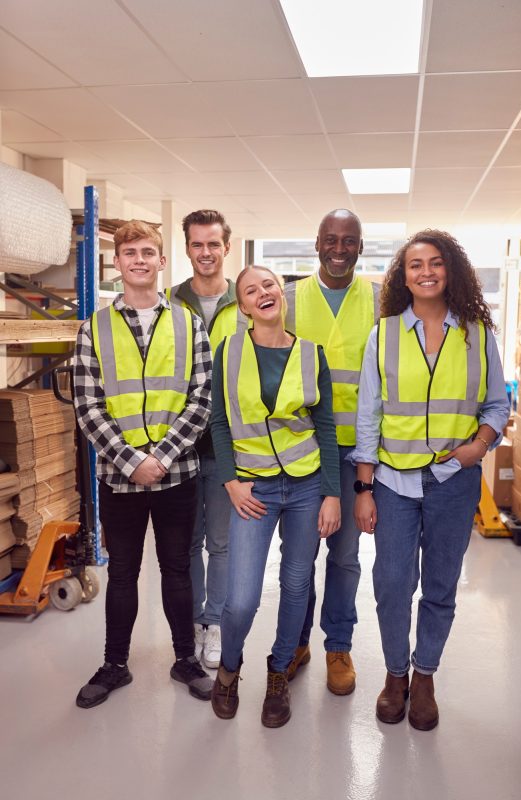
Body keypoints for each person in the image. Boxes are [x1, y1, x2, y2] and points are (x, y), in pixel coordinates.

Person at [352, 229, 509, 730]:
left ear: (451, 271)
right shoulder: (384, 334)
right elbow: (368, 414)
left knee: (441, 587)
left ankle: (424, 676)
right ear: (403, 275)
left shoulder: (478, 334)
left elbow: (496, 404)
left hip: (453, 481)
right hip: (394, 482)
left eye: (435, 263)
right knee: (392, 584)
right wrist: (362, 487)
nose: (425, 272)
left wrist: (478, 447)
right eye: (415, 264)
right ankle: (395, 674)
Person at [73, 220, 214, 708]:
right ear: (117, 263)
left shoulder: (189, 324)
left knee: (177, 569)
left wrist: (163, 457)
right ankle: (115, 665)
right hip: (119, 476)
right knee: (124, 574)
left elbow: (201, 400)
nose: (138, 260)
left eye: (147, 252)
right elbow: (88, 407)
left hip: (176, 475)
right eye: (129, 252)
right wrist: (132, 460)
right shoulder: (93, 329)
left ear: (161, 261)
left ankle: (185, 660)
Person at [209, 266, 341, 727]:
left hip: (306, 486)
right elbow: (220, 422)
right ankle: (229, 667)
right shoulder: (227, 352)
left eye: (268, 285)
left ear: (279, 296)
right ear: (243, 306)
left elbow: (325, 425)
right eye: (251, 290)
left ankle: (279, 671)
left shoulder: (310, 354)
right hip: (253, 488)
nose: (263, 293)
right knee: (241, 598)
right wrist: (230, 481)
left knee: (297, 584)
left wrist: (332, 493)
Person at [283, 208, 379, 695]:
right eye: (331, 240)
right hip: (301, 448)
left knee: (344, 557)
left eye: (349, 241)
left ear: (360, 246)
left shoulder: (380, 299)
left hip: (354, 452)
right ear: (316, 243)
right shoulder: (289, 298)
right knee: (299, 555)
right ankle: (296, 641)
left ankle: (337, 646)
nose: (339, 250)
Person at [167, 209, 247, 669]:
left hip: (228, 446)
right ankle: (193, 623)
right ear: (187, 249)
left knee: (220, 542)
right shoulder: (169, 302)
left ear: (226, 247)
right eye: (197, 244)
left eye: (213, 244)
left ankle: (214, 623)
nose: (205, 252)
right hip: (179, 445)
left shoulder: (247, 300)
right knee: (185, 542)